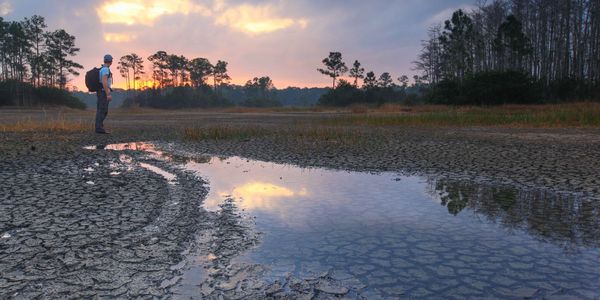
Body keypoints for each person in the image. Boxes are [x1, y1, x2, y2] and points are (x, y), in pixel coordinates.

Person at [95, 54, 113, 134]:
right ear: (110, 61)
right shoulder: (105, 69)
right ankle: (99, 129)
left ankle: (99, 128)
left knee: (101, 110)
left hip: (101, 91)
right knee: (103, 110)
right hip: (103, 92)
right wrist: (108, 94)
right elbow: (104, 81)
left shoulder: (102, 69)